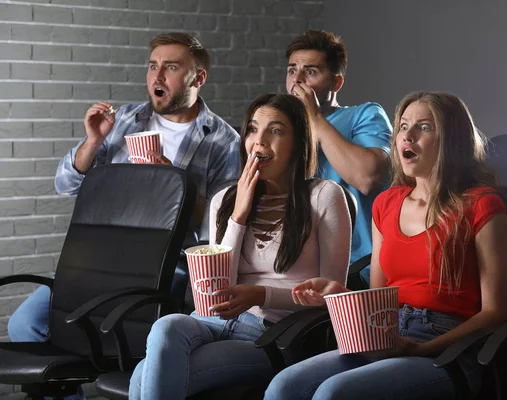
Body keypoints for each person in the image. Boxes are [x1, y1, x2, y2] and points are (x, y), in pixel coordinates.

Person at [7, 32, 239, 400]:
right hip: (99, 259)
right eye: (153, 66)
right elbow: (65, 184)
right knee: (26, 323)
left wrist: (175, 183)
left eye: (171, 67)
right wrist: (93, 142)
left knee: (128, 337)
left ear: (198, 78)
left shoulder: (223, 141)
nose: (157, 76)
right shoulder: (125, 119)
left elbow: (221, 227)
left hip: (168, 263)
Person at [264, 91, 507, 400]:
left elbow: (495, 312)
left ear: (451, 139)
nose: (407, 136)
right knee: (284, 386)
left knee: (334, 393)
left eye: (424, 127)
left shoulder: (482, 205)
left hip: (448, 348)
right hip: (388, 333)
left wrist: (422, 348)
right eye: (404, 126)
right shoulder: (386, 203)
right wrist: (338, 293)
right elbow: (377, 298)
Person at [128, 93, 352, 399]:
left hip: (273, 333)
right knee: (167, 327)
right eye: (252, 129)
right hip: (213, 321)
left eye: (275, 131)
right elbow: (213, 289)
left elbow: (334, 296)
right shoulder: (225, 200)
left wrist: (262, 294)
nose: (259, 142)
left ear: (299, 142)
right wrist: (239, 215)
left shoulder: (324, 196)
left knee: (145, 374)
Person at [285, 30, 393, 284]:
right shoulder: (280, 127)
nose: (296, 81)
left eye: (310, 72)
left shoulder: (364, 115)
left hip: (354, 268)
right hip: (294, 264)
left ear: (336, 83)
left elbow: (368, 177)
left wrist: (315, 118)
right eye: (292, 71)